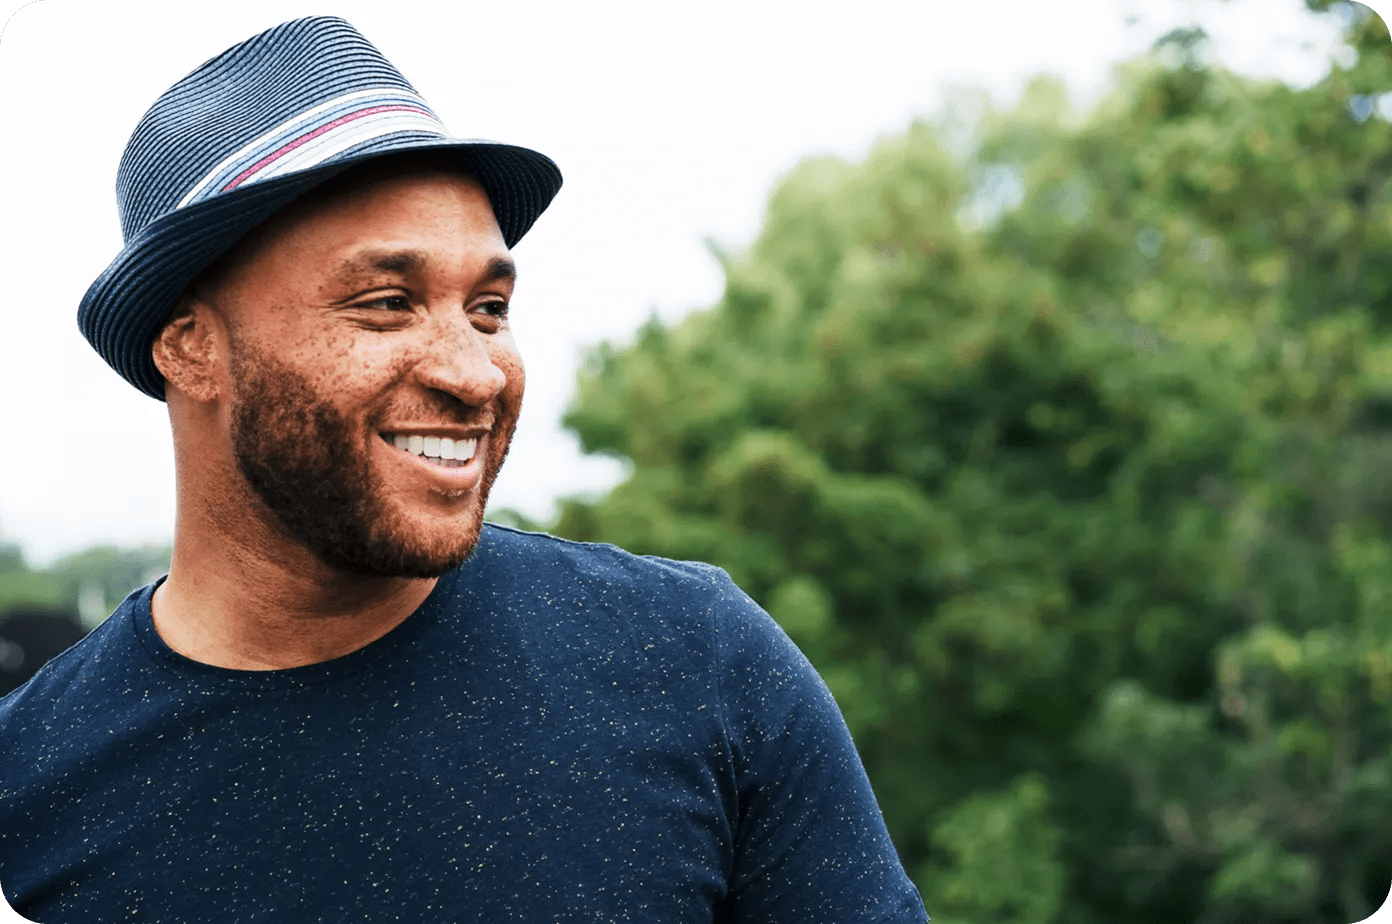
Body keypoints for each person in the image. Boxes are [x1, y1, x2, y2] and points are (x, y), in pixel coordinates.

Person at [0, 16, 929, 923]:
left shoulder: (700, 664)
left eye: (488, 308)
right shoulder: (31, 779)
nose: (475, 372)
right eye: (388, 303)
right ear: (190, 347)